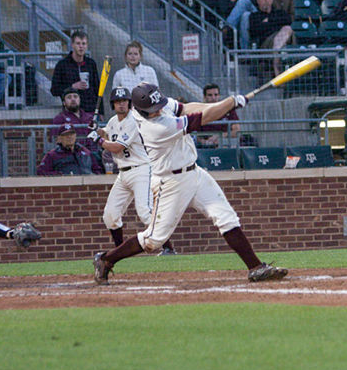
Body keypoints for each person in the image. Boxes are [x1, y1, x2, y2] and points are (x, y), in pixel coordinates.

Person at [92, 82, 288, 284]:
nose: (158, 110)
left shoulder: (157, 105)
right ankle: (106, 259)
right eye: (153, 109)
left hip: (195, 173)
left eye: (159, 105)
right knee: (154, 239)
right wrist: (230, 103)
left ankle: (255, 267)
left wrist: (225, 103)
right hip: (170, 182)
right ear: (140, 110)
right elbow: (203, 119)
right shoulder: (155, 128)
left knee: (226, 217)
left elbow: (188, 108)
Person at [95, 86, 176, 254]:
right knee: (110, 215)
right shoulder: (112, 121)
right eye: (118, 102)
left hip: (141, 170)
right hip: (123, 173)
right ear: (113, 105)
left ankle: (169, 248)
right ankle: (119, 251)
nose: (121, 105)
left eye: (124, 101)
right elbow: (105, 132)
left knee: (145, 213)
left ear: (129, 103)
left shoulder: (133, 120)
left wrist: (98, 140)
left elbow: (116, 147)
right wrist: (95, 130)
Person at [50, 30, 100, 114]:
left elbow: (97, 89)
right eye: (78, 43)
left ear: (87, 46)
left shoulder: (91, 64)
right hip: (71, 112)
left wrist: (100, 111)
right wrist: (72, 87)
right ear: (72, 45)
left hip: (90, 110)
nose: (81, 46)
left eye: (83, 44)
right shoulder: (62, 65)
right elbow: (54, 90)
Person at [248, 0, 293, 75]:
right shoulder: (254, 16)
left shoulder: (279, 12)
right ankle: (277, 63)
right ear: (258, 0)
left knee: (287, 29)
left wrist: (268, 22)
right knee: (284, 32)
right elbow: (255, 31)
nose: (266, 1)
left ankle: (276, 61)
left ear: (272, 0)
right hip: (266, 44)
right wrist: (276, 23)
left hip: (286, 40)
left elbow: (288, 20)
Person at [38, 123, 103, 176]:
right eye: (66, 135)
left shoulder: (86, 152)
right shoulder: (52, 155)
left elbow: (97, 170)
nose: (69, 137)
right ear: (59, 138)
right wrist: (60, 175)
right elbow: (41, 172)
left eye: (71, 134)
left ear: (75, 135)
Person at [197, 83, 240, 148]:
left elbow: (236, 130)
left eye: (216, 95)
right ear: (204, 97)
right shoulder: (199, 112)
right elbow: (194, 134)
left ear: (219, 95)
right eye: (210, 95)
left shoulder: (228, 109)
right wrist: (204, 142)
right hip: (205, 147)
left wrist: (220, 136)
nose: (213, 98)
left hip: (226, 144)